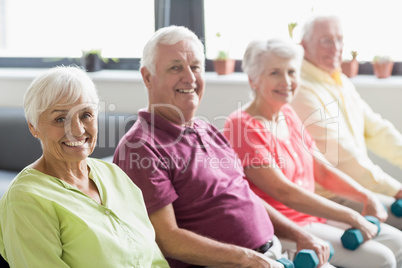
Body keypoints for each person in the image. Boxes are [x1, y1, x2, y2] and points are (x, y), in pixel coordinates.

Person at [113, 25, 334, 268]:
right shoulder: (140, 146)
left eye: (196, 66)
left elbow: (244, 194)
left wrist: (299, 234)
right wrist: (247, 258)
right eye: (175, 67)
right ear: (147, 77)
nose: (189, 77)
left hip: (271, 254)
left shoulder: (207, 129)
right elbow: (167, 239)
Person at [223, 37, 402, 268]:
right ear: (253, 79)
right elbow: (284, 192)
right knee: (382, 259)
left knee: (398, 243)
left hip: (313, 217)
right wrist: (350, 215)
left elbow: (321, 170)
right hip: (285, 227)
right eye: (275, 73)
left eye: (291, 72)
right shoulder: (241, 125)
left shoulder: (287, 113)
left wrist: (366, 196)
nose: (286, 81)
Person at [0, 66, 169, 267]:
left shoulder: (114, 174)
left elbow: (155, 259)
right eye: (60, 119)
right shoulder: (26, 199)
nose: (77, 130)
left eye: (86, 115)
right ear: (33, 126)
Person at [290, 15, 402, 230]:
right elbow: (342, 155)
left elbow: (377, 130)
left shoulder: (338, 79)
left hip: (358, 187)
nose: (336, 48)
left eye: (339, 40)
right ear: (303, 46)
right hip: (331, 196)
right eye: (326, 40)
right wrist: (395, 189)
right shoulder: (301, 89)